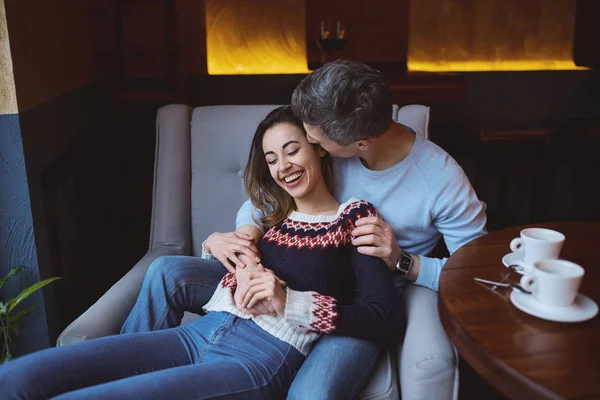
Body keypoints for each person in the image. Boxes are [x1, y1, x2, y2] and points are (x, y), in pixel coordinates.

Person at [122, 60, 487, 399]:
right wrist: (240, 239)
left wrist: (404, 261)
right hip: (287, 274)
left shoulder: (441, 182)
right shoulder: (332, 147)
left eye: (316, 140)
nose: (309, 145)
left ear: (359, 144)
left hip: (357, 301)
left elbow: (478, 274)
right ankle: (134, 369)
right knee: (169, 272)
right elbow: (261, 205)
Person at [0, 106, 403, 400]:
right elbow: (223, 261)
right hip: (199, 333)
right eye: (272, 158)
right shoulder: (271, 216)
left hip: (259, 359)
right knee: (19, 376)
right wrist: (223, 249)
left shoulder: (353, 218)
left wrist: (290, 302)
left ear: (319, 149)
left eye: (292, 150)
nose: (283, 166)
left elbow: (384, 319)